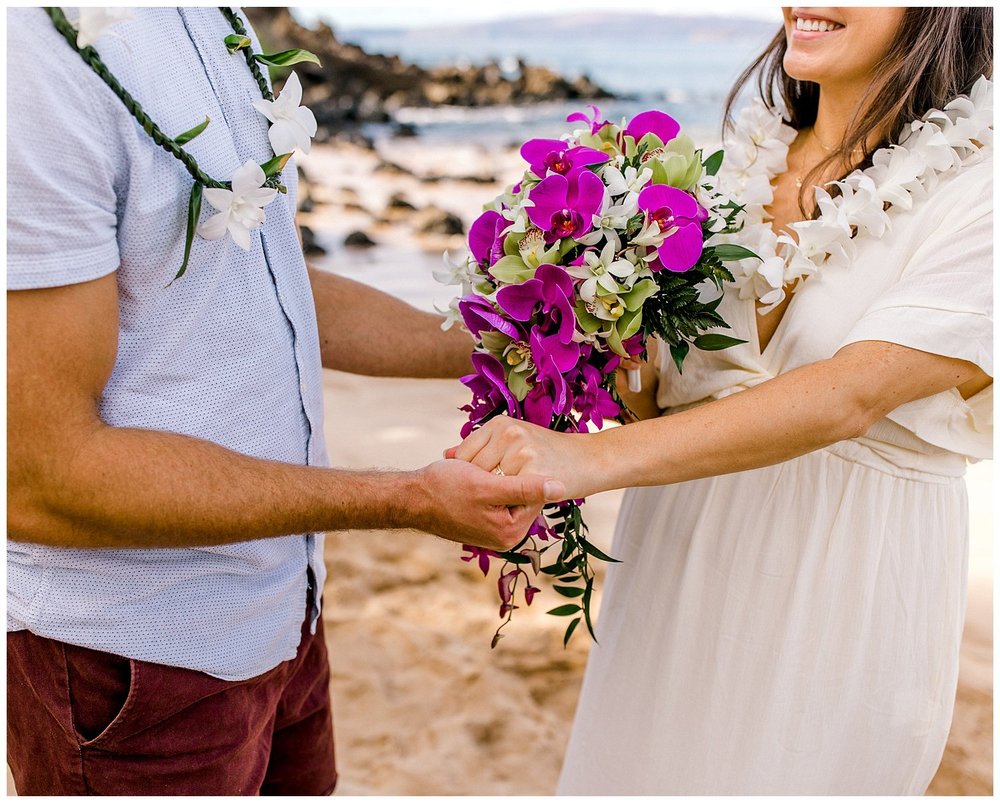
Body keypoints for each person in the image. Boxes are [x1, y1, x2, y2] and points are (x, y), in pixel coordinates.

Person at [6, 7, 564, 796]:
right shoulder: (32, 61)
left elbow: (261, 283)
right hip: (136, 665)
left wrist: (517, 339)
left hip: (287, 612)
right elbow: (38, 477)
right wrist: (405, 498)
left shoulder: (210, 13)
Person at [451, 6, 993, 794]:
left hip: (846, 594)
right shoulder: (720, 173)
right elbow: (658, 407)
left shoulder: (982, 187)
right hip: (673, 575)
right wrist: (597, 298)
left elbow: (852, 395)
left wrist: (582, 459)